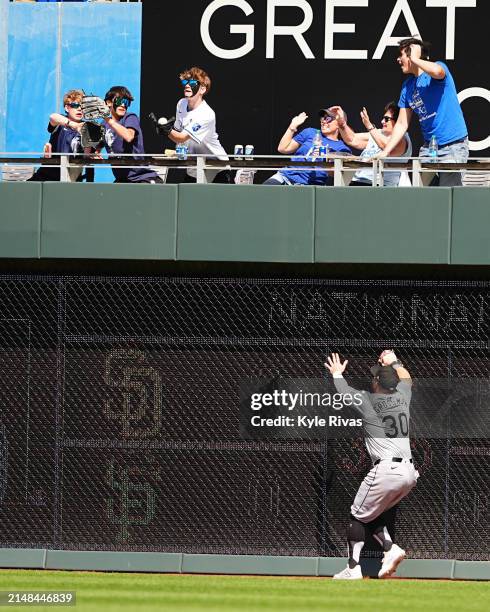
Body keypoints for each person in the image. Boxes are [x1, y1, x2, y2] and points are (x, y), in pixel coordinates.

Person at [324, 350, 419, 580]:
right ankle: (389, 548)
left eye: (375, 377)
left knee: (357, 516)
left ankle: (354, 568)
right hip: (409, 473)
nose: (373, 379)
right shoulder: (402, 396)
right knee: (370, 513)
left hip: (387, 470)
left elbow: (343, 391)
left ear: (377, 383)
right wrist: (394, 361)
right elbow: (407, 378)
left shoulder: (367, 400)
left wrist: (337, 373)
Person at [378, 37, 468, 186]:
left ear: (413, 55)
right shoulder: (407, 86)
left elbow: (438, 72)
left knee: (449, 195)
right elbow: (401, 123)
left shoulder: (438, 67)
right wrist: (385, 152)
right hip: (430, 148)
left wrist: (415, 58)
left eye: (402, 55)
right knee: (423, 196)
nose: (398, 59)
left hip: (453, 146)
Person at [163, 67, 230, 184]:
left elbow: (181, 137)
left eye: (192, 83)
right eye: (185, 82)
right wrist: (168, 132)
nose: (187, 86)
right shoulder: (181, 103)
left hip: (216, 167)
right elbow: (179, 137)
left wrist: (166, 130)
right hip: (193, 167)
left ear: (202, 89)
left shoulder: (207, 114)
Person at [331, 102, 412, 186]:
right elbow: (352, 139)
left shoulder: (403, 138)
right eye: (383, 118)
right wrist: (342, 124)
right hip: (357, 181)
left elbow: (387, 148)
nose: (382, 121)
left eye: (386, 119)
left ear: (397, 121)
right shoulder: (377, 133)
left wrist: (369, 125)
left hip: (380, 186)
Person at [263, 109, 351, 186]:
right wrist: (292, 127)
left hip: (308, 186)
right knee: (260, 194)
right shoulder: (310, 132)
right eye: (322, 118)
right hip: (285, 176)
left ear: (339, 123)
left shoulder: (341, 148)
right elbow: (283, 149)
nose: (323, 121)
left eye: (328, 119)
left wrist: (324, 156)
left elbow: (337, 174)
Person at [102, 85, 162, 184]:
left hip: (142, 179)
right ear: (108, 103)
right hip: (122, 180)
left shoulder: (130, 117)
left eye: (126, 102)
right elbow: (95, 149)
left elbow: (129, 136)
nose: (123, 105)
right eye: (119, 101)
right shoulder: (103, 125)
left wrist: (110, 121)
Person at [28, 89, 88, 182]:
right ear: (67, 108)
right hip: (46, 174)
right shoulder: (60, 121)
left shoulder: (87, 128)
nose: (79, 108)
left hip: (70, 178)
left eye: (82, 106)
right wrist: (73, 125)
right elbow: (53, 117)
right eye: (75, 105)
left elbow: (88, 153)